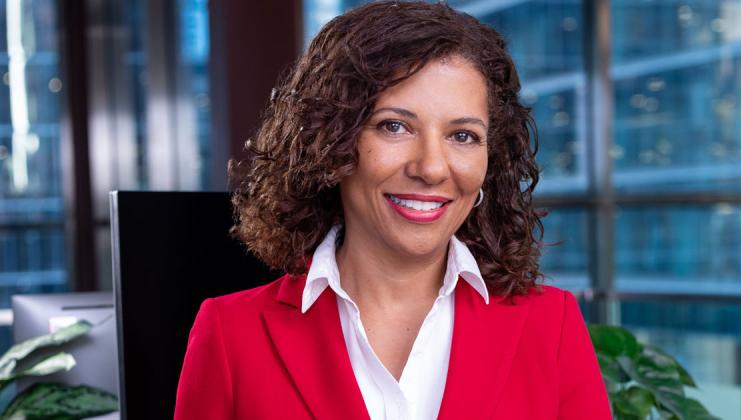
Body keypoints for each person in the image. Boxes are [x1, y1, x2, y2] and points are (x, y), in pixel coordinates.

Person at [174, 1, 611, 419]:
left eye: (462, 136)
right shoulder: (231, 335)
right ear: (333, 144)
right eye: (394, 126)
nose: (431, 168)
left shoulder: (549, 326)